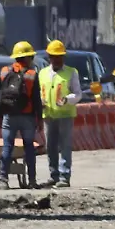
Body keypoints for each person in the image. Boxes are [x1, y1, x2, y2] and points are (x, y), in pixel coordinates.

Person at [0, 41, 42, 188]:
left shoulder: (4, 72)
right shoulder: (32, 75)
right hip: (27, 117)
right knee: (29, 148)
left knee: (7, 147)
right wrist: (39, 119)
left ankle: (3, 180)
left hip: (9, 115)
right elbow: (36, 100)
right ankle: (32, 181)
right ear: (27, 58)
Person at [39, 40, 81, 188]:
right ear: (49, 57)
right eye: (53, 57)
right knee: (50, 147)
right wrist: (40, 102)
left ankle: (64, 176)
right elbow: (40, 92)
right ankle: (54, 175)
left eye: (59, 57)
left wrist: (67, 99)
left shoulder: (71, 72)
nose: (56, 60)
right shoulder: (43, 73)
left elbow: (78, 94)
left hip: (65, 115)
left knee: (64, 146)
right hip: (48, 115)